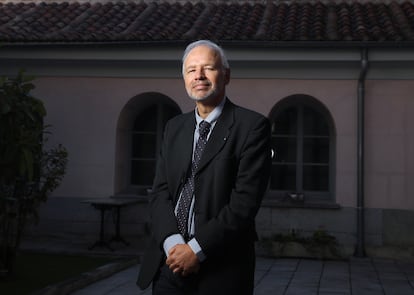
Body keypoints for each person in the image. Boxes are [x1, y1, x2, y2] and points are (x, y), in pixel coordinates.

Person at [137, 40, 271, 295]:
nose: (198, 75)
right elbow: (160, 194)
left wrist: (195, 250)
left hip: (222, 265)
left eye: (208, 67)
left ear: (226, 75)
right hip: (170, 262)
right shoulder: (174, 128)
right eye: (191, 70)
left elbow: (244, 204)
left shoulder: (252, 127)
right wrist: (174, 245)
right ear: (185, 78)